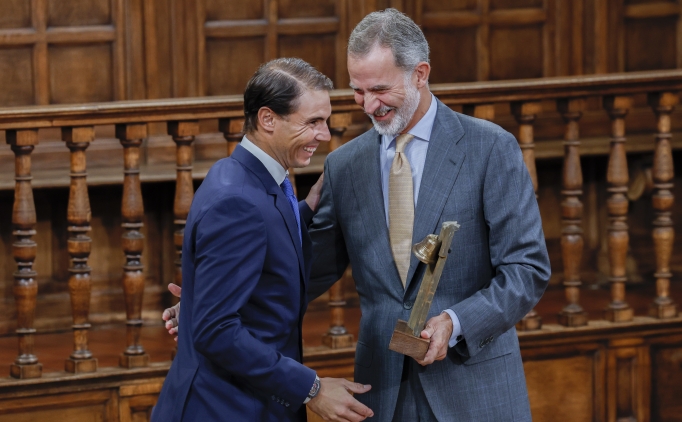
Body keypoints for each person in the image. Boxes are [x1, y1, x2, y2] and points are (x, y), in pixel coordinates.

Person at [165, 8, 551, 421]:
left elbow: (527, 268)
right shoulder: (345, 165)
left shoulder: (490, 148)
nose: (369, 105)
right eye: (358, 91)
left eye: (380, 89)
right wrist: (208, 299)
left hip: (474, 388)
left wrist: (456, 323)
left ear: (420, 74)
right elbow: (304, 268)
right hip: (382, 392)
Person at [152, 58, 374, 422]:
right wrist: (312, 389)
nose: (323, 134)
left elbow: (260, 234)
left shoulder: (243, 175)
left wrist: (305, 209)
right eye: (312, 122)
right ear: (268, 119)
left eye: (325, 121)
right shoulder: (237, 202)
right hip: (225, 409)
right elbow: (215, 330)